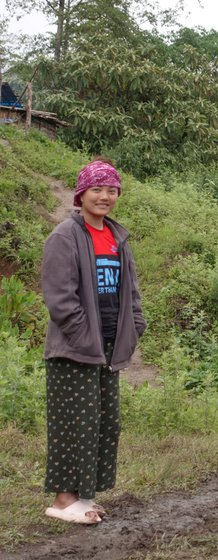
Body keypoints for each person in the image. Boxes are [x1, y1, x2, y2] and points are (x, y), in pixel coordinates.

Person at [41, 159, 146, 524]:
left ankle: (82, 497)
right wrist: (86, 339)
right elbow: (60, 300)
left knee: (103, 423)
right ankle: (63, 499)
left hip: (108, 346)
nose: (104, 196)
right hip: (74, 349)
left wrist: (134, 327)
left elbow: (130, 292)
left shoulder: (117, 237)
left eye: (111, 190)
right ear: (81, 193)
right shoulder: (65, 237)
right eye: (97, 189)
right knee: (74, 422)